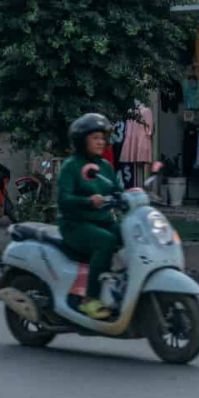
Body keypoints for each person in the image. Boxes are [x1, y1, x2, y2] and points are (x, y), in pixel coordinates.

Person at [57, 113, 121, 320]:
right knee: (106, 242)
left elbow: (118, 190)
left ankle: (122, 289)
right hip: (75, 224)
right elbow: (64, 199)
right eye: (95, 138)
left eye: (102, 138)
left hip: (103, 221)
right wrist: (87, 201)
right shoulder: (71, 166)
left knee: (131, 235)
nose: (100, 142)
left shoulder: (105, 166)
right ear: (82, 140)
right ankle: (90, 300)